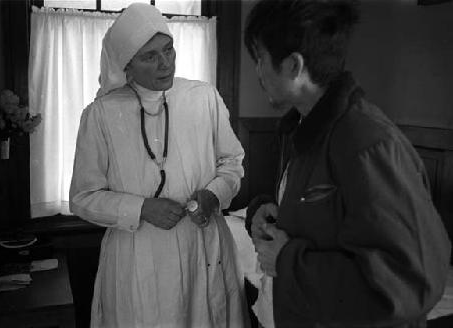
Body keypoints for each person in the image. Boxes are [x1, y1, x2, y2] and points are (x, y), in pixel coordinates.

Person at [243, 0, 452, 327]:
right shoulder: (305, 129)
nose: (257, 72)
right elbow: (328, 221)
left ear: (294, 66)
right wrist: (265, 211)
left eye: (260, 59)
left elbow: (411, 283)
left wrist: (287, 260)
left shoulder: (365, 142)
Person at [69, 3, 250, 327]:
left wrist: (213, 195)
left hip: (202, 248)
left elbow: (231, 162)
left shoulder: (203, 97)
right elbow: (83, 197)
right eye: (150, 57)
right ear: (127, 65)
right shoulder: (101, 115)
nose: (165, 63)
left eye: (168, 50)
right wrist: (141, 209)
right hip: (139, 257)